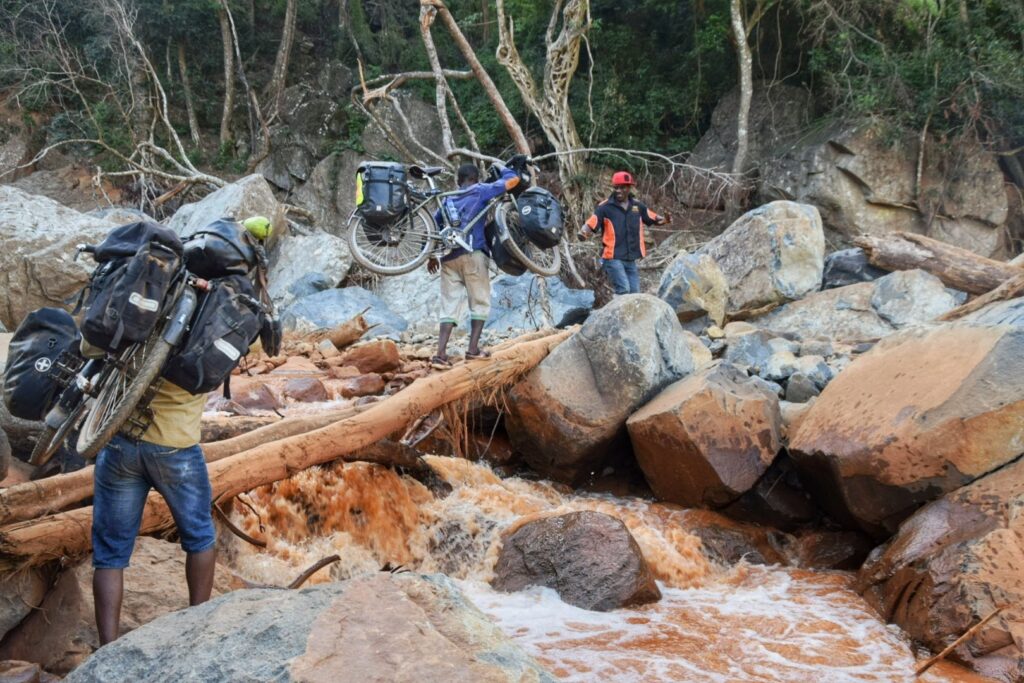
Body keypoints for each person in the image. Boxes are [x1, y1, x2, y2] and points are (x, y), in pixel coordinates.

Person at [90, 215, 272, 645]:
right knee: (199, 536)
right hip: (176, 447)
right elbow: (257, 348)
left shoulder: (156, 286)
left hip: (120, 440)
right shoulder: (226, 310)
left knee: (110, 554)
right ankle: (197, 629)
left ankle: (107, 646)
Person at [428, 157, 525, 365]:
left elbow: (432, 229)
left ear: (458, 180)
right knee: (479, 301)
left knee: (449, 305)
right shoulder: (480, 190)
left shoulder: (446, 200)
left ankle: (440, 354)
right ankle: (472, 350)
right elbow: (512, 181)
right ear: (475, 178)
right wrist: (503, 169)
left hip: (447, 259)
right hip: (473, 253)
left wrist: (430, 256)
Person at [578, 171, 671, 295]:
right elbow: (591, 223)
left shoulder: (637, 206)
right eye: (616, 188)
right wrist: (583, 232)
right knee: (624, 289)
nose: (618, 191)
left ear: (629, 188)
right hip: (612, 257)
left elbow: (654, 218)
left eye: (622, 187)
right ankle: (616, 314)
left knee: (635, 293)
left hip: (630, 258)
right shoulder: (605, 207)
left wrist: (666, 220)